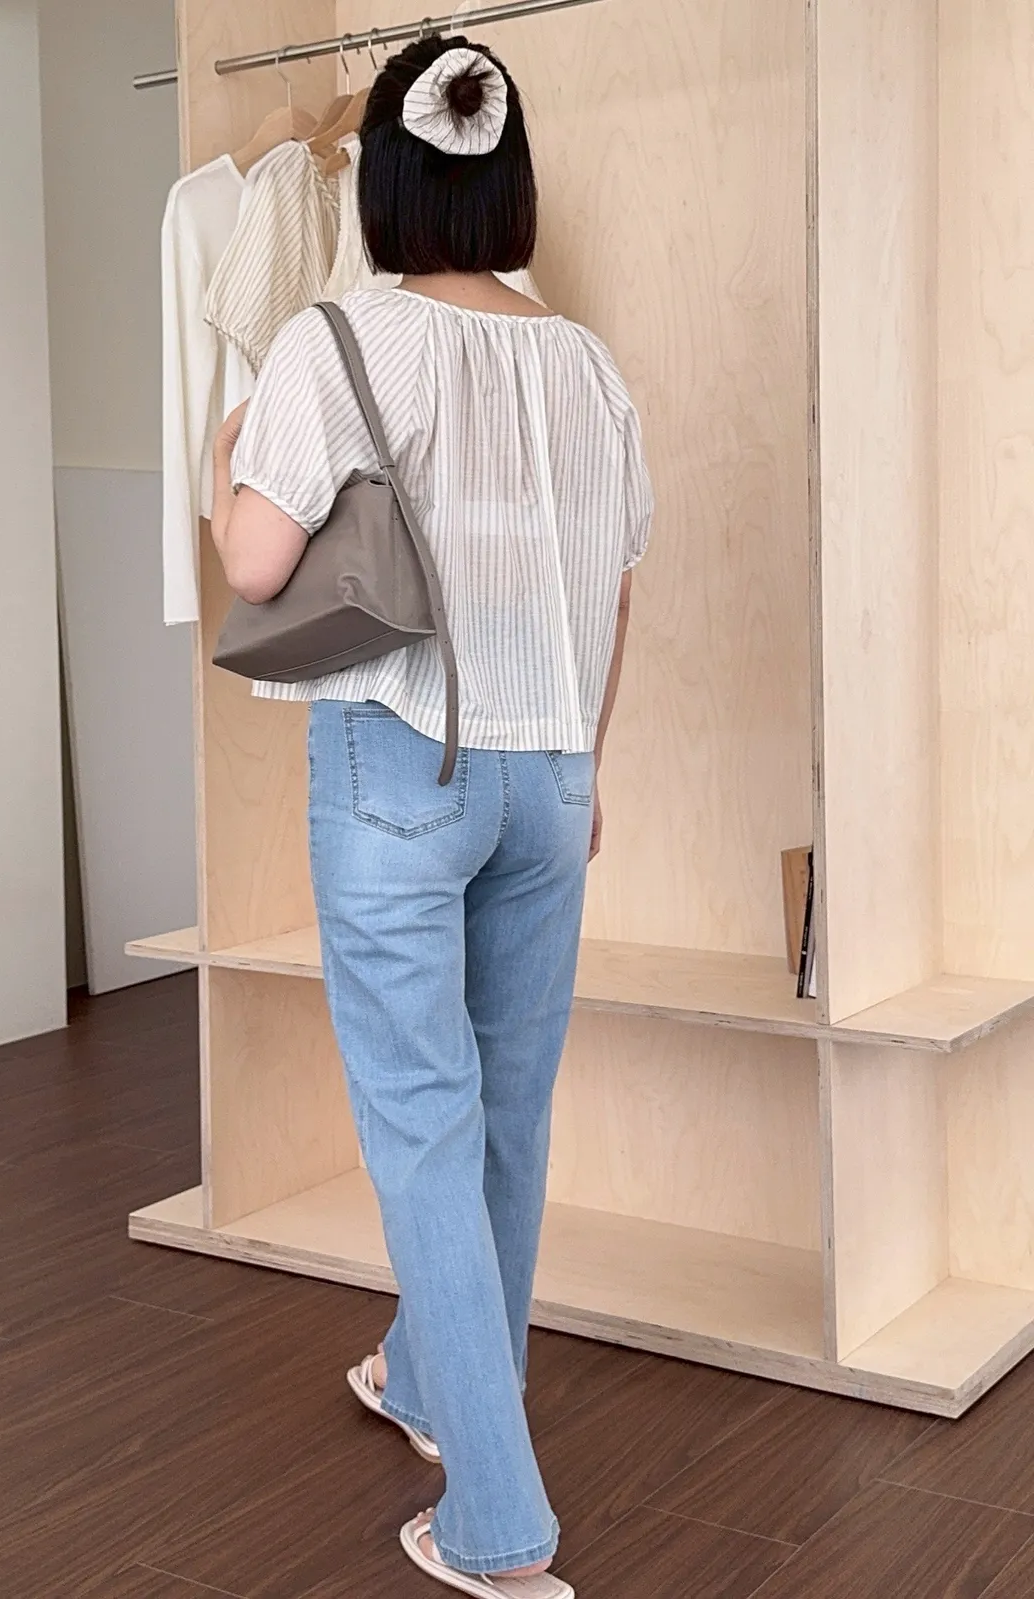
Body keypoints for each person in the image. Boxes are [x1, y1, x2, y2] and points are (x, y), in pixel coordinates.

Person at [209, 33, 653, 1599]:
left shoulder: (337, 341)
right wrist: (584, 776)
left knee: (421, 1125)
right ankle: (424, 1371)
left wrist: (228, 449)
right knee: (505, 1113)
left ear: (383, 185)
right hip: (554, 769)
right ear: (510, 182)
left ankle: (498, 1531)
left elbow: (254, 563)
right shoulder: (589, 363)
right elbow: (612, 592)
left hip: (399, 763)